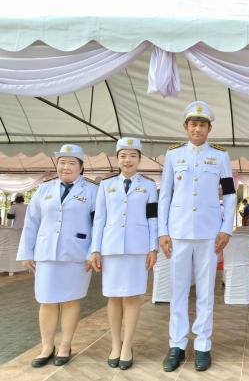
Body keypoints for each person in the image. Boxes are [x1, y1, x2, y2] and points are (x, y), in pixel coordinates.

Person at [158, 101, 237, 372]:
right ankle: (177, 345)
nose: (197, 129)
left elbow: (230, 194)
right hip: (178, 232)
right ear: (185, 127)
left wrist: (226, 228)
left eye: (202, 125)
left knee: (205, 291)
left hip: (209, 233)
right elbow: (164, 195)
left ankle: (203, 344)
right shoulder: (173, 156)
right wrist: (163, 231)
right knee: (178, 290)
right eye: (193, 124)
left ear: (209, 129)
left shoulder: (220, 157)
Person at [16, 144, 98, 367]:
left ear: (81, 167)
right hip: (46, 253)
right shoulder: (44, 189)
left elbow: (98, 224)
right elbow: (32, 222)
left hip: (77, 254)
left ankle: (65, 345)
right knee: (47, 300)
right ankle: (47, 346)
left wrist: (93, 252)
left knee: (71, 300)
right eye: (62, 163)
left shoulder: (92, 191)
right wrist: (26, 252)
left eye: (71, 163)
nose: (66, 167)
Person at [90, 138, 158, 370]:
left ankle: (127, 345)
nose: (127, 160)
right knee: (113, 297)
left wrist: (153, 247)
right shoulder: (106, 185)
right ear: (117, 159)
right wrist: (95, 249)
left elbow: (152, 218)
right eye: (123, 156)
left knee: (132, 297)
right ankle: (115, 344)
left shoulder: (149, 186)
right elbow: (99, 219)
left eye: (132, 156)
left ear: (139, 159)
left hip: (138, 248)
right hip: (111, 247)